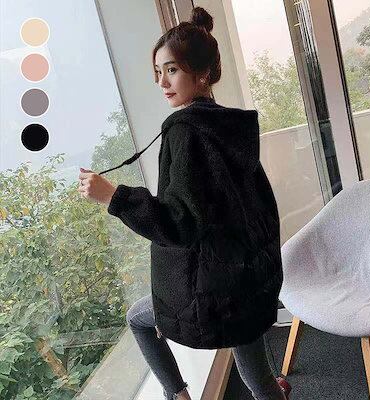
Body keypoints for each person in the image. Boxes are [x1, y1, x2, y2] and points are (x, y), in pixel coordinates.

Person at [78, 6, 291, 400]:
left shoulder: (185, 131)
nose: (162, 82)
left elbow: (180, 223)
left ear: (202, 73)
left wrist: (113, 196)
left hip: (211, 293)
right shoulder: (228, 126)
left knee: (138, 320)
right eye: (158, 72)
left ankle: (177, 395)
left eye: (172, 70)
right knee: (258, 377)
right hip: (245, 279)